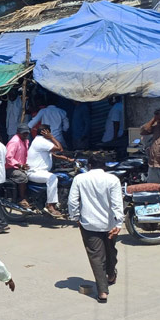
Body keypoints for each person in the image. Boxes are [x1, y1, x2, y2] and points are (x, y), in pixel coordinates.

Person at [67, 154, 124, 303]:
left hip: (89, 224)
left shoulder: (80, 179)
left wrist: (76, 218)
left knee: (96, 257)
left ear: (89, 166)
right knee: (111, 250)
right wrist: (119, 224)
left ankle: (102, 292)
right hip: (110, 224)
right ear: (104, 166)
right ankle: (111, 275)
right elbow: (118, 203)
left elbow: (72, 201)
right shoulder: (113, 179)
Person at [27, 124, 63, 216]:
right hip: (35, 172)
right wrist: (52, 137)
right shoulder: (41, 141)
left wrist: (67, 159)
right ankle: (50, 205)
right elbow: (59, 148)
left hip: (41, 172)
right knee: (52, 178)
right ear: (46, 132)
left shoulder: (42, 141)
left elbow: (55, 154)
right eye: (49, 131)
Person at [5, 126, 30, 206]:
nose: (25, 135)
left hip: (21, 166)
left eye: (27, 133)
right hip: (10, 168)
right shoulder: (14, 142)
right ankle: (21, 198)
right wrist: (20, 165)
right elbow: (8, 157)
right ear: (18, 133)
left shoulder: (25, 141)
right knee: (22, 177)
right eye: (24, 133)